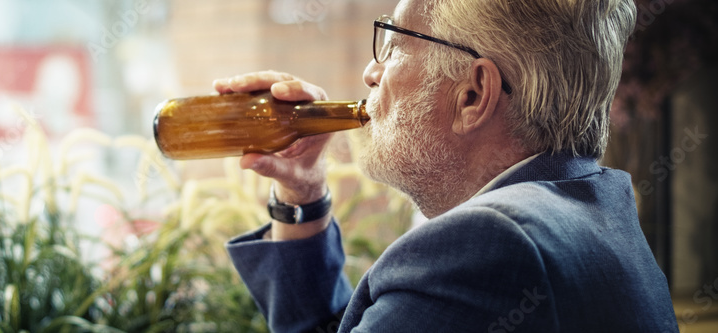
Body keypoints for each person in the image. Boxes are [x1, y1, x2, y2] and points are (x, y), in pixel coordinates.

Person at [217, 0, 678, 332]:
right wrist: (303, 193)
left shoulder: (487, 245)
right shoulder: (595, 208)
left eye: (395, 43)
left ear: (473, 95)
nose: (371, 73)